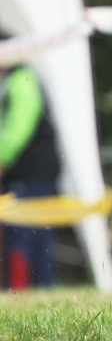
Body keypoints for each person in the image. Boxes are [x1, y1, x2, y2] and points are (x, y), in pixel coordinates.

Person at [0, 31, 61, 289]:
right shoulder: (18, 79)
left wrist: (1, 158)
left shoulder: (21, 80)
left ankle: (28, 292)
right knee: (34, 239)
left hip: (31, 174)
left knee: (26, 239)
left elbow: (17, 128)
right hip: (33, 173)